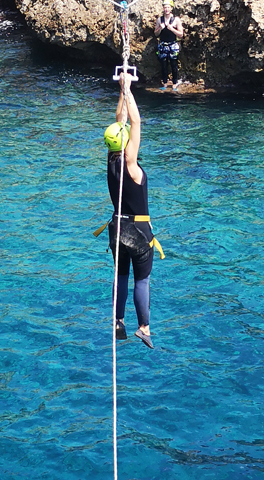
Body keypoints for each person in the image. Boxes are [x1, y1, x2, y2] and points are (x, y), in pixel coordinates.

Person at [103, 71, 156, 349]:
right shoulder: (131, 168)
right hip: (138, 231)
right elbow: (134, 121)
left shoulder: (111, 161)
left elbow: (120, 122)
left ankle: (118, 321)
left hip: (116, 229)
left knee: (121, 275)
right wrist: (129, 87)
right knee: (142, 280)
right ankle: (144, 327)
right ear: (125, 145)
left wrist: (121, 91)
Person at [155, 0, 184, 88]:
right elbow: (156, 33)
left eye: (168, 7)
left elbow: (181, 34)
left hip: (173, 45)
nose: (166, 9)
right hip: (163, 45)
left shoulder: (176, 20)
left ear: (171, 8)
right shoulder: (160, 20)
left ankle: (174, 83)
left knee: (173, 64)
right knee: (163, 65)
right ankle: (165, 82)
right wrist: (160, 27)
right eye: (165, 7)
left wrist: (171, 29)